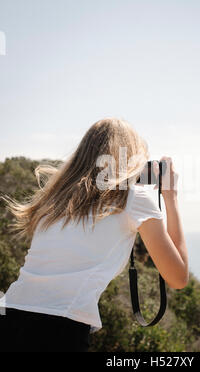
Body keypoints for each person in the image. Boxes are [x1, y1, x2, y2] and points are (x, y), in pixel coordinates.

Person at [0, 117, 188, 352]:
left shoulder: (55, 197)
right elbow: (178, 277)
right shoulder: (133, 198)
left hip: (9, 315)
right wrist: (170, 197)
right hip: (58, 328)